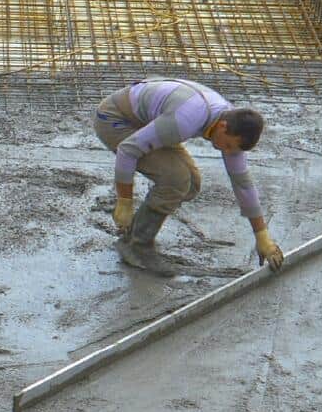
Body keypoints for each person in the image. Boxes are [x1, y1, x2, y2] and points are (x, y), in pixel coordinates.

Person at [93, 77, 285, 276]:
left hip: (151, 122)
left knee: (191, 184)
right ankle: (136, 246)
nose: (229, 151)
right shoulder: (183, 122)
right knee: (176, 179)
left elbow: (242, 184)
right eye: (228, 146)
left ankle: (135, 233)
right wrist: (124, 201)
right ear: (222, 127)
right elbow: (127, 150)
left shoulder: (227, 120)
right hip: (114, 120)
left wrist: (262, 236)